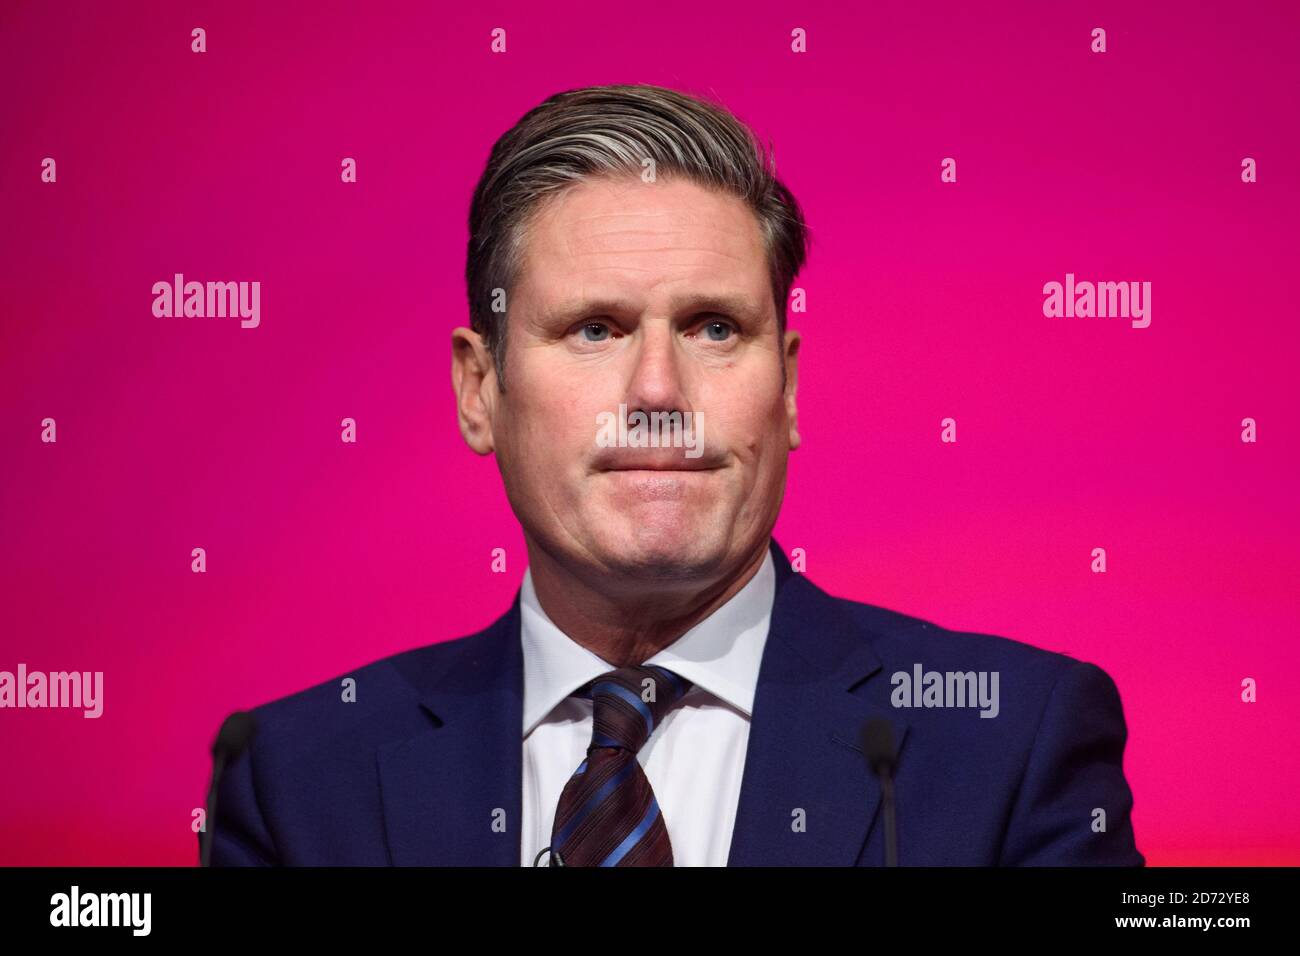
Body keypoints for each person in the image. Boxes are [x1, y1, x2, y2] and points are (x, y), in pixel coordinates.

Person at [207, 83, 1142, 866]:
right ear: (479, 389)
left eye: (715, 328)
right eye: (595, 329)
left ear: (788, 390)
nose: (658, 392)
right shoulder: (300, 780)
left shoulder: (1010, 744)